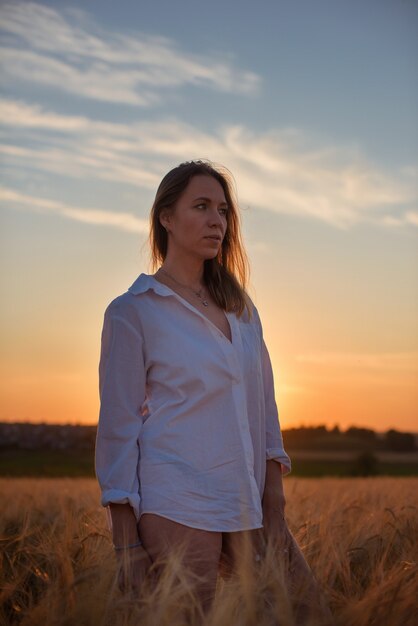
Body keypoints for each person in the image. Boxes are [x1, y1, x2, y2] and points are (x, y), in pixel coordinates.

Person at [95, 160, 327, 619]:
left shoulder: (241, 309)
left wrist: (273, 493)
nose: (216, 220)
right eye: (201, 206)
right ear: (166, 217)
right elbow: (118, 426)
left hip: (246, 497)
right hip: (175, 496)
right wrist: (126, 543)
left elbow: (264, 401)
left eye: (222, 210)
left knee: (307, 611)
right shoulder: (133, 310)